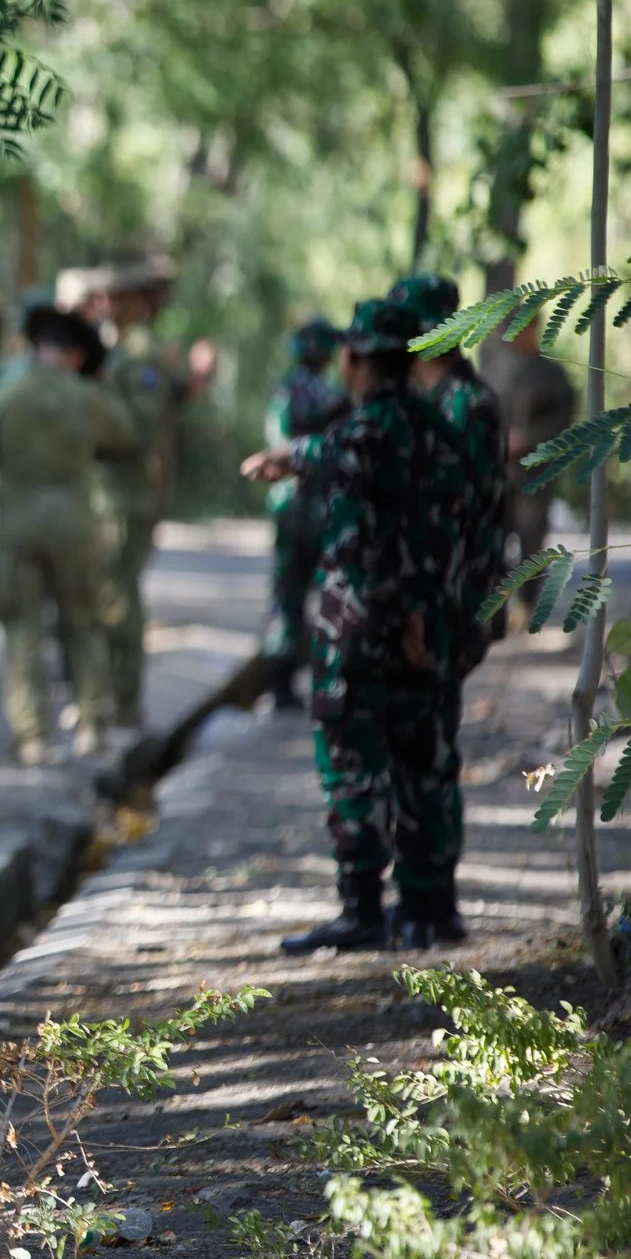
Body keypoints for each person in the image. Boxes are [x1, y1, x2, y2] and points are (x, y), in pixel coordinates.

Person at [242, 299, 461, 955]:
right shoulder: (429, 422)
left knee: (350, 760)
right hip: (415, 614)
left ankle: (362, 906)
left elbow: (344, 448)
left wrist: (290, 456)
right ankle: (423, 901)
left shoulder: (370, 426)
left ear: (358, 358)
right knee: (416, 756)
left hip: (360, 620)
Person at [0, 307, 140, 764]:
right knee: (84, 624)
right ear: (77, 355)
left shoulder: (6, 396)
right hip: (77, 528)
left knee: (22, 628)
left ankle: (32, 737)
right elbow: (127, 437)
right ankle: (92, 726)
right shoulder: (90, 399)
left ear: (36, 349)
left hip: (19, 527)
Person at [398, 271, 505, 949]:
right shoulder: (462, 398)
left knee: (427, 750)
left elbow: (448, 516)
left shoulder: (458, 406)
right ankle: (427, 900)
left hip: (446, 602)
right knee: (427, 746)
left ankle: (430, 902)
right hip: (453, 598)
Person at [95, 252, 213, 728]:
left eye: (113, 296)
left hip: (125, 494)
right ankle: (112, 701)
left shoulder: (139, 351)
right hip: (114, 492)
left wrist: (87, 415)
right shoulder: (127, 348)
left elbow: (140, 425)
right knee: (110, 595)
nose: (103, 303)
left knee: (116, 597)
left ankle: (119, 705)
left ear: (132, 302)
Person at [261, 320, 349, 710]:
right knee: (329, 593)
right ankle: (322, 677)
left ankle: (282, 677)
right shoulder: (331, 394)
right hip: (317, 509)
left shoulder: (283, 392)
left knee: (288, 594)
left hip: (291, 507)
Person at [476, 315, 576, 624]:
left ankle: (527, 605)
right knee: (493, 536)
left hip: (537, 471)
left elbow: (562, 420)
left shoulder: (552, 374)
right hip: (498, 470)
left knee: (532, 540)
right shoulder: (494, 372)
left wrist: (529, 439)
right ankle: (495, 603)